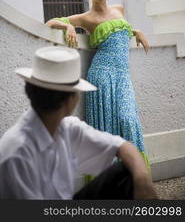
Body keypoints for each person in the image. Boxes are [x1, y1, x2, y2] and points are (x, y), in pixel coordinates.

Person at [0, 46, 158, 200]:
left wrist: (143, 182)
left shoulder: (67, 129)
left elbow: (123, 147)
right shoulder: (16, 154)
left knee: (126, 172)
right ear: (71, 100)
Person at [45, 0, 150, 169]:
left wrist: (136, 31)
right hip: (102, 75)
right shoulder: (87, 18)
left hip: (122, 76)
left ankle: (134, 173)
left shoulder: (119, 8)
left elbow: (120, 31)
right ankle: (110, 179)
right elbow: (50, 23)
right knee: (107, 128)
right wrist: (67, 27)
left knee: (128, 120)